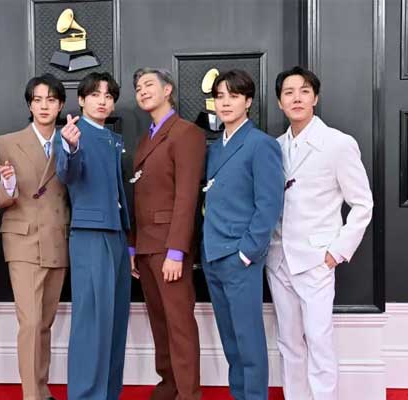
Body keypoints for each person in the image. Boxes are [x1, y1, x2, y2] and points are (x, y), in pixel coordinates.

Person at [267, 66, 373, 400]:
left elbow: (363, 203)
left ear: (315, 97)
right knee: (288, 342)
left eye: (304, 91)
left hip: (316, 260)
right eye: (288, 92)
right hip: (278, 258)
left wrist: (336, 252)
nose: (296, 98)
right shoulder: (274, 147)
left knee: (319, 339)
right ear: (280, 102)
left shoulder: (338, 143)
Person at [201, 69, 284, 400]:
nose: (225, 103)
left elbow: (269, 205)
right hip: (213, 255)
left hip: (239, 256)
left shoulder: (261, 144)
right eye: (220, 96)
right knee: (231, 342)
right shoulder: (214, 149)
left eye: (233, 96)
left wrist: (247, 252)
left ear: (248, 101)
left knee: (248, 342)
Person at [0, 74, 70, 400]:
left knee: (44, 323)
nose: (44, 106)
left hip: (58, 238)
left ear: (60, 105)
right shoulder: (6, 143)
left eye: (50, 100)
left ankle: (41, 388)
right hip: (23, 240)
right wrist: (8, 185)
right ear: (29, 105)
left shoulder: (70, 141)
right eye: (37, 100)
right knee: (30, 322)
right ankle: (31, 395)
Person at [130, 67, 206, 400]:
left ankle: (189, 393)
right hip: (146, 246)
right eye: (138, 88)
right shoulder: (145, 138)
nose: (143, 91)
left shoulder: (186, 133)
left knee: (179, 324)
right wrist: (133, 247)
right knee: (160, 322)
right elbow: (138, 196)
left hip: (169, 248)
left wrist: (177, 251)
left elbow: (187, 196)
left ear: (168, 90)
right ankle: (168, 385)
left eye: (149, 84)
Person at [54, 71, 131, 400]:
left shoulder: (113, 139)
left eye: (109, 96)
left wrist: (128, 239)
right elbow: (67, 173)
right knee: (92, 321)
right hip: (90, 234)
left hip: (117, 235)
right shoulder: (73, 134)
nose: (103, 101)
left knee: (115, 320)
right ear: (82, 100)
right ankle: (86, 394)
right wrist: (71, 147)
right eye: (96, 95)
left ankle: (109, 393)